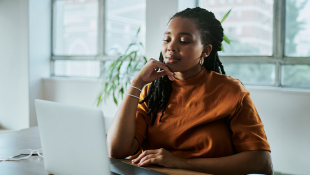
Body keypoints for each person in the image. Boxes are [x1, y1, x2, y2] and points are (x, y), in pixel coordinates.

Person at [106, 7, 272, 175]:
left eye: (184, 41)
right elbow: (117, 151)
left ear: (206, 51)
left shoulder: (232, 91)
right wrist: (136, 84)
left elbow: (261, 161)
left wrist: (181, 163)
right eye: (166, 39)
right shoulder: (152, 91)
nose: (171, 47)